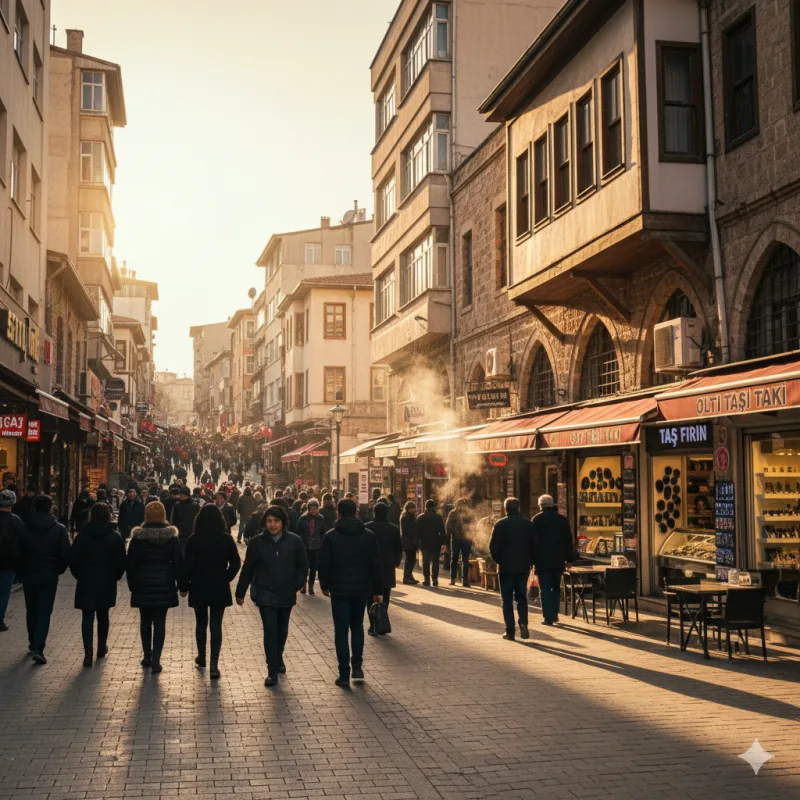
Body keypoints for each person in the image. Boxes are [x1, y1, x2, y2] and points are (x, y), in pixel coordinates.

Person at [235, 505, 308, 687]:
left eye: (276, 521)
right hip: (265, 592)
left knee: (282, 629)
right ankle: (271, 670)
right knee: (270, 629)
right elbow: (248, 568)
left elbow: (302, 565)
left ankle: (278, 657)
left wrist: (295, 585)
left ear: (283, 522)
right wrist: (240, 591)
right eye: (269, 521)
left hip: (286, 592)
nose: (272, 525)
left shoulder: (294, 541)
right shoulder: (257, 542)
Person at [318, 499, 382, 687]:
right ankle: (357, 666)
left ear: (338, 514)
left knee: (340, 631)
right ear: (356, 513)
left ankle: (344, 673)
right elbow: (375, 564)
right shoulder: (368, 536)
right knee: (357, 627)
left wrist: (324, 584)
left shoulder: (331, 536)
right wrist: (378, 590)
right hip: (361, 589)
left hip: (339, 589)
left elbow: (324, 563)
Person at [180, 504, 241, 679]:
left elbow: (188, 565)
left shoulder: (194, 539)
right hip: (218, 586)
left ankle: (202, 657)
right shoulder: (226, 539)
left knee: (201, 623)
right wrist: (226, 577)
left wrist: (184, 586)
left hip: (199, 585)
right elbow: (236, 562)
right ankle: (214, 664)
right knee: (216, 625)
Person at [126, 502, 183, 673]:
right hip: (163, 583)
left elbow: (131, 563)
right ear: (164, 515)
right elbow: (178, 563)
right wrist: (181, 584)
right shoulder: (171, 537)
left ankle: (147, 656)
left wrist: (132, 584)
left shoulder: (138, 537)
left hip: (142, 583)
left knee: (145, 621)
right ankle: (157, 659)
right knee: (160, 622)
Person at [68, 502, 126, 666]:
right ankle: (101, 647)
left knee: (87, 616)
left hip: (87, 580)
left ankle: (88, 653)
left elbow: (73, 558)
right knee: (103, 614)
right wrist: (116, 575)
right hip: (106, 580)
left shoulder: (82, 536)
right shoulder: (114, 536)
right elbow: (121, 560)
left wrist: (78, 574)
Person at [18, 495, 71, 664]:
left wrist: (21, 571)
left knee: (31, 609)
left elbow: (18, 552)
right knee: (44, 612)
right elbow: (65, 555)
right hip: (49, 576)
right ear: (50, 508)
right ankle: (39, 647)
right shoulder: (59, 529)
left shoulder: (24, 528)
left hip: (29, 575)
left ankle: (33, 642)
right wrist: (57, 570)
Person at [489, 498, 534, 641]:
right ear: (518, 508)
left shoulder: (500, 524)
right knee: (522, 597)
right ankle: (523, 623)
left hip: (505, 568)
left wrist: (499, 560)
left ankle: (510, 630)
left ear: (505, 509)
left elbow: (493, 547)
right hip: (522, 567)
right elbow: (535, 545)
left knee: (506, 600)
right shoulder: (528, 524)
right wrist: (530, 561)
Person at [531, 494, 575, 626]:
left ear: (541, 506)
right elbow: (568, 540)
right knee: (556, 588)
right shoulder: (562, 519)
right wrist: (569, 559)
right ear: (552, 505)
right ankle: (555, 614)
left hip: (542, 561)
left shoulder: (536, 520)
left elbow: (533, 542)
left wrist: (531, 560)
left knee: (544, 589)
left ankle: (548, 618)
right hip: (558, 561)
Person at [365, 501, 401, 634]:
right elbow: (398, 548)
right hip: (387, 567)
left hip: (370, 568)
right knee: (385, 595)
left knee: (370, 597)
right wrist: (395, 562)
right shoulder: (393, 528)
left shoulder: (367, 528)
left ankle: (372, 625)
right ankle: (382, 620)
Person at [0, 490, 23, 632]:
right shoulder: (15, 520)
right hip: (8, 563)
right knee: (3, 593)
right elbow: (21, 542)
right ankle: (0, 620)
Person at [296, 498, 327, 595]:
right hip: (305, 546)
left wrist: (321, 543)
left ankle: (311, 587)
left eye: (315, 508)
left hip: (316, 547)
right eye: (312, 508)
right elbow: (299, 531)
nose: (314, 511)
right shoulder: (303, 518)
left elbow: (323, 532)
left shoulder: (321, 518)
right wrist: (301, 542)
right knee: (304, 567)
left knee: (313, 568)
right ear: (308, 509)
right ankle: (303, 585)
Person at [416, 499, 446, 587]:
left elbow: (417, 532)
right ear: (434, 507)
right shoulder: (438, 517)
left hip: (424, 543)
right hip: (436, 543)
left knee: (426, 562)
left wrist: (417, 543)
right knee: (435, 561)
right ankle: (435, 579)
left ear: (425, 507)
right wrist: (443, 542)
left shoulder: (420, 517)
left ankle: (427, 579)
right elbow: (442, 531)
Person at [446, 498, 473, 588]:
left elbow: (448, 526)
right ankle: (464, 580)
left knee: (454, 559)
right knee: (464, 560)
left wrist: (448, 537)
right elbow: (473, 526)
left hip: (456, 539)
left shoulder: (453, 513)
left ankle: (453, 579)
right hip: (465, 539)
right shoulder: (468, 513)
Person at [171, 485, 200, 555]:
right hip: (180, 535)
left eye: (183, 494)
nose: (181, 496)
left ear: (187, 495)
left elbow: (198, 520)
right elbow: (173, 519)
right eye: (180, 494)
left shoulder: (195, 505)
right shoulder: (177, 505)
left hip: (192, 534)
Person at [400, 502, 419, 585]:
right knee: (410, 560)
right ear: (408, 508)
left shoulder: (405, 516)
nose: (414, 510)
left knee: (410, 560)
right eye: (412, 508)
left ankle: (409, 576)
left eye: (414, 508)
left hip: (407, 541)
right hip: (409, 542)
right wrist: (415, 540)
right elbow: (412, 530)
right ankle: (406, 577)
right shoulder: (407, 517)